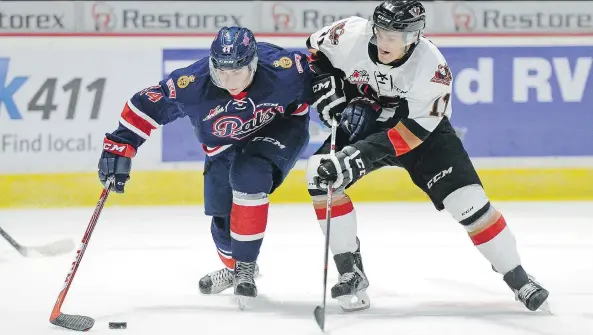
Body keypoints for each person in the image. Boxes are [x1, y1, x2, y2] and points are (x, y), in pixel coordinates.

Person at [305, 0, 549, 313]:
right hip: (365, 119)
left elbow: (412, 134)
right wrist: (325, 85)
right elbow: (313, 55)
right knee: (320, 174)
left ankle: (519, 278)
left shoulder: (432, 68)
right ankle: (351, 271)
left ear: (412, 38)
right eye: (379, 32)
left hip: (422, 135)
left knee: (469, 203)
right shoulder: (348, 34)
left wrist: (359, 155)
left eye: (393, 37)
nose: (383, 42)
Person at [97, 27, 313, 304]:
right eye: (221, 71)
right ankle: (236, 269)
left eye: (237, 72)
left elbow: (326, 80)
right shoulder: (192, 85)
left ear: (254, 64)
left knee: (249, 175)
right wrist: (118, 147)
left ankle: (244, 268)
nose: (228, 80)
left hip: (281, 128)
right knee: (221, 221)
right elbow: (145, 106)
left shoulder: (285, 70)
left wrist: (340, 105)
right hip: (223, 146)